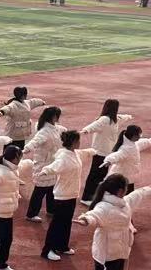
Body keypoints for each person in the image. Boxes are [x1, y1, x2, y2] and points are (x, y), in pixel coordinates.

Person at [32, 130, 97, 261]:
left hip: (71, 194)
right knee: (56, 224)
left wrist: (94, 151)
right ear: (73, 142)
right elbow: (53, 167)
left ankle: (62, 246)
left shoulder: (74, 153)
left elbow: (84, 152)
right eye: (78, 141)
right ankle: (47, 250)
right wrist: (44, 172)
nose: (80, 143)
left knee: (66, 222)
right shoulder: (63, 157)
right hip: (62, 196)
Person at [80, 99, 133, 205]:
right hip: (99, 152)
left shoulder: (115, 119)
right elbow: (92, 126)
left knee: (100, 175)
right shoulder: (104, 119)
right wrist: (84, 131)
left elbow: (123, 117)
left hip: (106, 152)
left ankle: (93, 196)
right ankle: (86, 197)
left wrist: (129, 116)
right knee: (95, 175)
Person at [23, 106, 65, 221]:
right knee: (40, 190)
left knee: (51, 188)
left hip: (52, 162)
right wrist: (26, 149)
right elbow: (35, 142)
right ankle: (31, 214)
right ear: (53, 117)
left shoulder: (54, 128)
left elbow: (61, 130)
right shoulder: (44, 131)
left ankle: (51, 209)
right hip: (43, 164)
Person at [101, 125, 151, 193]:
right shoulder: (126, 148)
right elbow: (117, 155)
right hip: (122, 177)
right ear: (133, 136)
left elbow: (141, 143)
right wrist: (109, 161)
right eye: (139, 135)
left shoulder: (133, 144)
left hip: (127, 176)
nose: (140, 136)